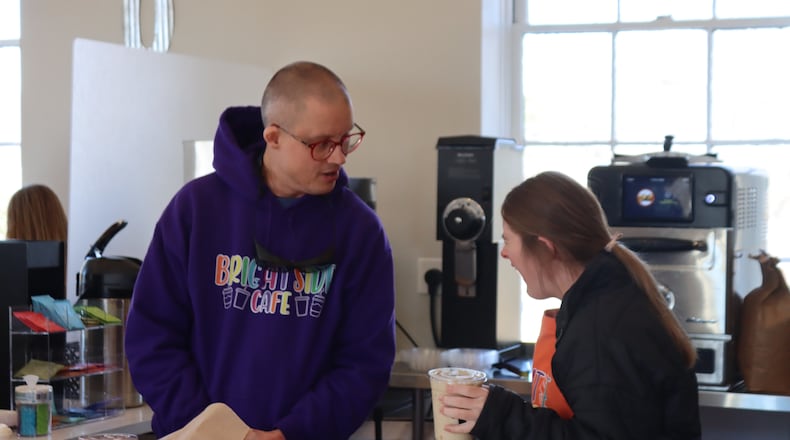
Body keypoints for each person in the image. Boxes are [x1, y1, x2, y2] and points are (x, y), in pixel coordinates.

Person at [124, 61, 397, 440]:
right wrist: (218, 432)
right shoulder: (195, 210)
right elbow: (152, 338)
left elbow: (364, 363)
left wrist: (291, 433)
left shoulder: (361, 232)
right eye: (322, 144)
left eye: (346, 139)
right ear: (274, 137)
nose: (339, 157)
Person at [438, 171, 701, 439]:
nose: (504, 253)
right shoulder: (607, 299)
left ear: (545, 246)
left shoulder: (600, 329)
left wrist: (501, 415)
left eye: (508, 240)